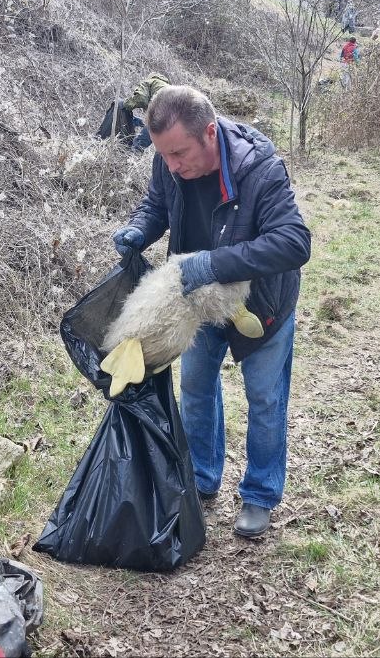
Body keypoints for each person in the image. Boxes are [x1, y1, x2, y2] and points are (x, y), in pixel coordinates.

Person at [110, 86, 312, 539]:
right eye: (164, 157)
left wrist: (212, 264)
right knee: (197, 390)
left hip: (260, 307)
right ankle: (202, 477)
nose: (173, 166)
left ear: (209, 132)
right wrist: (138, 231)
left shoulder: (260, 168)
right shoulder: (169, 160)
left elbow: (295, 242)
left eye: (180, 154)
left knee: (264, 399)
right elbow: (157, 205)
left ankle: (260, 494)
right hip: (193, 303)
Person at [124, 72, 169, 154]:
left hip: (162, 108)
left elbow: (141, 98)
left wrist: (127, 104)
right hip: (176, 116)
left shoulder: (150, 81)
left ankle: (131, 160)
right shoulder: (168, 87)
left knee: (139, 143)